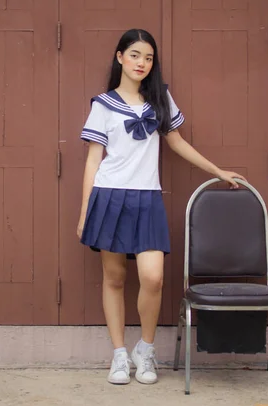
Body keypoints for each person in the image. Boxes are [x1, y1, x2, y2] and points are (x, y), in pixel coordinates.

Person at [77, 29, 246, 385]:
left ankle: (146, 350)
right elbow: (93, 161)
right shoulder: (103, 104)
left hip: (147, 198)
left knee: (152, 278)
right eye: (135, 55)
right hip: (110, 196)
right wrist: (84, 213)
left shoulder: (160, 98)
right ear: (120, 56)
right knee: (115, 278)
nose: (142, 63)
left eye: (149, 57)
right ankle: (120, 355)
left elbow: (177, 142)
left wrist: (216, 170)